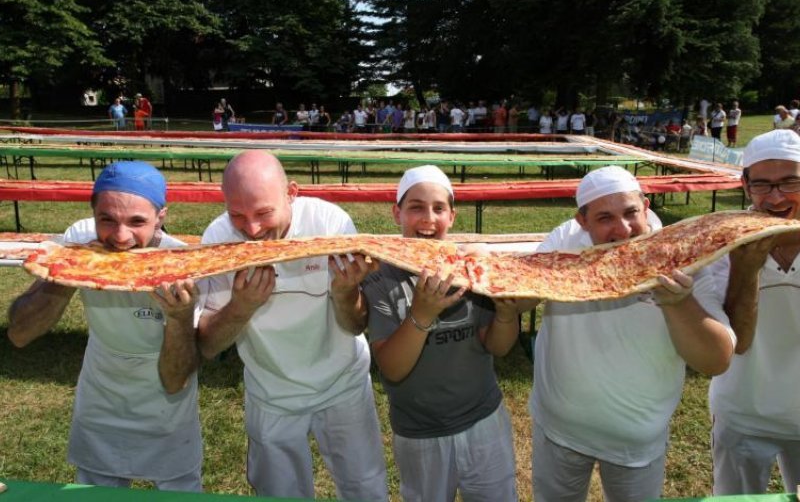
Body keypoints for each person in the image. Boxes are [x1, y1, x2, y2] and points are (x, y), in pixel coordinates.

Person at [529, 166, 736, 502]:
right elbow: (524, 287)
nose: (623, 230)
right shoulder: (565, 240)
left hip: (637, 440)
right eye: (605, 218)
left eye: (630, 213)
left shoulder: (683, 258)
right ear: (582, 222)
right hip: (558, 428)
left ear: (647, 206)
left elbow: (715, 360)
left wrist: (679, 304)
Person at [196, 151, 388, 500]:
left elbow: (356, 324)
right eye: (237, 214)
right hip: (270, 392)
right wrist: (241, 307)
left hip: (342, 381)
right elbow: (207, 346)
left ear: (292, 193)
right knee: (278, 493)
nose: (252, 230)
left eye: (264, 213)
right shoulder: (218, 238)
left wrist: (345, 293)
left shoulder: (330, 223)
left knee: (365, 487)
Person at [7, 161, 202, 491]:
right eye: (107, 220)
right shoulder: (79, 240)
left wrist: (181, 317)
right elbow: (20, 333)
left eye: (137, 222)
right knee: (96, 494)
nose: (121, 237)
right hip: (102, 391)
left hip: (167, 403)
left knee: (178, 492)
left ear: (161, 218)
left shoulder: (181, 265)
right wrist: (70, 274)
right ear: (92, 213)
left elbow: (175, 379)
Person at [363, 165, 526, 501]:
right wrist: (422, 313)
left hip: (484, 419)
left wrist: (507, 316)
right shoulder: (380, 277)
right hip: (420, 432)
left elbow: (496, 347)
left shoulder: (472, 268)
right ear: (397, 213)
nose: (428, 218)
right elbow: (392, 369)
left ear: (452, 216)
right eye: (416, 207)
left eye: (439, 208)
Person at [708, 129, 800, 495]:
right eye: (762, 185)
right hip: (742, 410)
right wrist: (745, 270)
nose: (776, 197)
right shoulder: (720, 246)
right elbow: (737, 342)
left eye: (790, 181)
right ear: (746, 186)